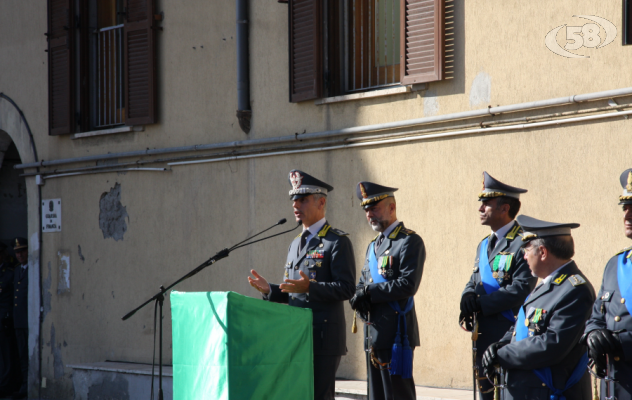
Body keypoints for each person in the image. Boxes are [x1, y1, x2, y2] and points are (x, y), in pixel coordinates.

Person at [247, 170, 356, 400]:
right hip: (297, 335)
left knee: (318, 396)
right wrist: (271, 290)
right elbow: (295, 291)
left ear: (321, 202)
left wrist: (310, 288)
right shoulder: (295, 244)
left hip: (324, 338)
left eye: (303, 199)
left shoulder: (336, 242)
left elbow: (347, 288)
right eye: (294, 200)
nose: (296, 205)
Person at [481, 215, 595, 400]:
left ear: (542, 252)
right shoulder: (547, 284)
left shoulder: (574, 289)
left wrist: (503, 354)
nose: (524, 256)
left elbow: (552, 343)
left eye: (526, 250)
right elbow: (523, 325)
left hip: (547, 392)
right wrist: (499, 345)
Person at [459, 171, 536, 399]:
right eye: (480, 203)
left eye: (486, 203)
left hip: (508, 333)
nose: (480, 208)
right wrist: (466, 297)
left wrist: (481, 304)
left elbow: (521, 288)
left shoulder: (524, 242)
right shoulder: (484, 244)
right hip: (483, 333)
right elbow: (474, 279)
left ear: (505, 208)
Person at [349, 181, 425, 400]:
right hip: (373, 333)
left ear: (391, 208)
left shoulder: (409, 241)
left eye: (374, 208)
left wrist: (369, 292)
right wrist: (357, 296)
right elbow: (364, 283)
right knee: (376, 396)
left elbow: (408, 284)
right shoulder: (373, 246)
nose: (369, 214)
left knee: (397, 395)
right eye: (366, 209)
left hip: (396, 334)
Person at [582, 168, 632, 400]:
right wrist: (593, 334)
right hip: (614, 385)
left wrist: (619, 341)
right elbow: (596, 317)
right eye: (625, 207)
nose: (627, 215)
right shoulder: (615, 264)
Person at [12, 238, 28, 400]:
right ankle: (24, 384)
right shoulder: (17, 271)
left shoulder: (32, 269)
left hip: (28, 319)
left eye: (22, 251)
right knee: (22, 354)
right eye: (17, 252)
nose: (20, 255)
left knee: (28, 353)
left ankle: (29, 384)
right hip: (18, 320)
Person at [0, 243, 16, 397]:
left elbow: (12, 298)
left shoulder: (9, 273)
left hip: (3, 319)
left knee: (5, 355)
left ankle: (4, 385)